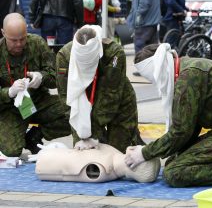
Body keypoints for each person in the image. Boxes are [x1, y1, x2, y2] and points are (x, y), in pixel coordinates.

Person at [124, 43, 212, 187]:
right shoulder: (184, 67)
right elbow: (190, 127)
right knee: (173, 161)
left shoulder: (188, 78)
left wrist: (144, 153)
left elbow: (181, 131)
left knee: (174, 173)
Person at [56, 24, 145, 153]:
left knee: (117, 155)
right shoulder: (64, 56)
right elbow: (66, 98)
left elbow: (110, 97)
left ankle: (133, 139)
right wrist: (82, 134)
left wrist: (94, 134)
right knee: (86, 156)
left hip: (118, 101)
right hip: (81, 107)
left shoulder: (114, 53)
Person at [0, 13, 71, 157]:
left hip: (39, 101)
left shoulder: (37, 44)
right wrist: (8, 92)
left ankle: (34, 136)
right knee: (11, 152)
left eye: (22, 38)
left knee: (75, 113)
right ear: (3, 33)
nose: (19, 44)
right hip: (11, 108)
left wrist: (42, 77)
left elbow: (55, 78)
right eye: (14, 40)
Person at [35, 143, 160, 183]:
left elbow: (69, 169)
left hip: (46, 162)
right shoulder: (112, 155)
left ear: (131, 151)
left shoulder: (103, 167)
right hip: (50, 158)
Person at [126, 0, 161, 76]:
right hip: (150, 21)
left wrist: (137, 17)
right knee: (151, 47)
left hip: (145, 22)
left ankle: (143, 70)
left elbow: (145, 3)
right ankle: (152, 70)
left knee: (140, 46)